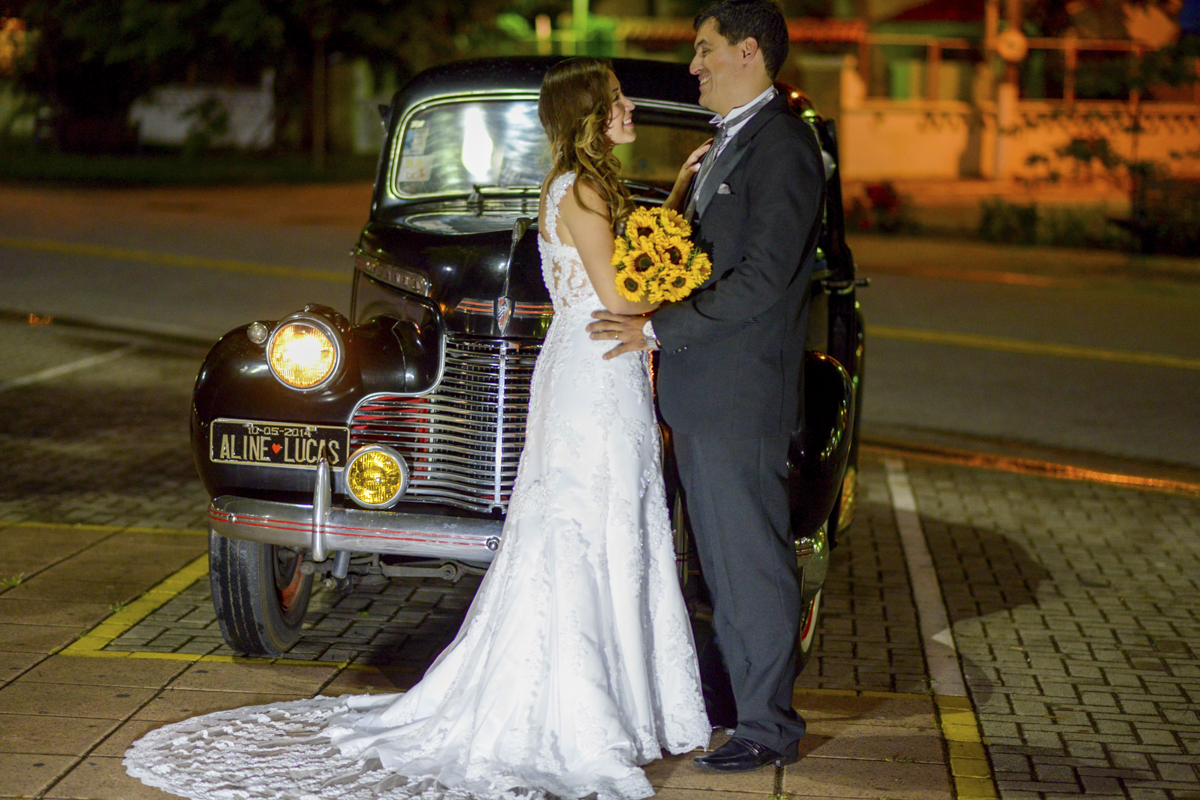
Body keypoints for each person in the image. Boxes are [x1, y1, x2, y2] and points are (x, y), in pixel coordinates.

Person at [123, 58, 713, 800]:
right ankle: (589, 709)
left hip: (582, 364)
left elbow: (618, 264)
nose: (629, 109)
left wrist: (678, 196)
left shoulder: (564, 185)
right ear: (591, 115)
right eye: (618, 100)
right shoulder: (587, 191)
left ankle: (600, 697)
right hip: (601, 365)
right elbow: (620, 293)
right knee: (598, 525)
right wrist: (674, 305)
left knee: (587, 524)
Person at [586, 0, 827, 774]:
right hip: (706, 394)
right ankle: (745, 710)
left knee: (748, 563)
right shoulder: (733, 140)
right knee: (722, 563)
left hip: (738, 396)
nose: (693, 66)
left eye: (704, 49)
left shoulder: (782, 144)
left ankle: (768, 727)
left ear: (749, 51)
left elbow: (762, 278)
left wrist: (657, 330)